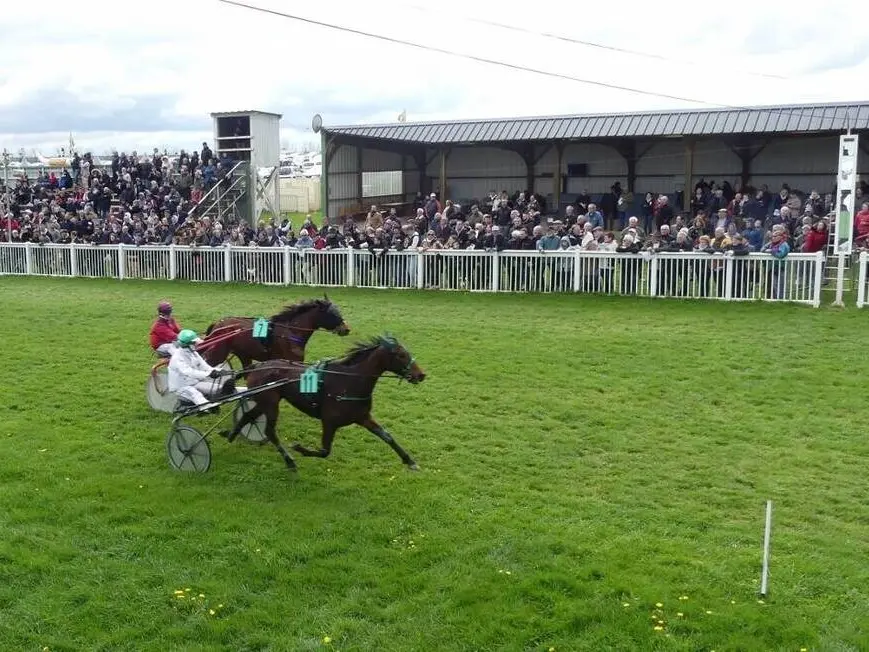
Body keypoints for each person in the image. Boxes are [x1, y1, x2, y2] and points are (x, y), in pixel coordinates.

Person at [168, 329, 235, 412]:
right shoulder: (177, 357)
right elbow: (189, 372)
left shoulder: (193, 353)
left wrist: (220, 371)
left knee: (218, 388)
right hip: (181, 387)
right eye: (194, 343)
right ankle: (207, 408)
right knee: (195, 394)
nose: (197, 344)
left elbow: (205, 367)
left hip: (195, 383)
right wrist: (209, 374)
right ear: (188, 344)